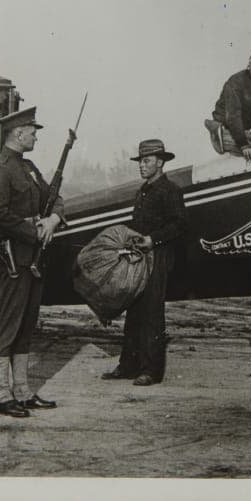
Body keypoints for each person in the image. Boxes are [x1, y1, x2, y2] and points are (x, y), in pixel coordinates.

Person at [0, 107, 65, 418]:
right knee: (8, 324)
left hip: (34, 256)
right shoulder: (1, 170)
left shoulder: (27, 167)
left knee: (27, 324)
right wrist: (34, 230)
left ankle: (22, 391)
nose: (35, 136)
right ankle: (2, 395)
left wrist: (54, 219)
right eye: (32, 131)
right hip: (15, 257)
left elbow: (53, 196)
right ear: (18, 133)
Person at [102, 139, 187, 386]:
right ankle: (128, 366)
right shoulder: (144, 190)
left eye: (147, 161)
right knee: (135, 311)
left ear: (160, 162)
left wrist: (153, 240)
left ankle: (151, 370)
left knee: (151, 313)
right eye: (140, 161)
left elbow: (180, 224)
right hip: (139, 256)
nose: (142, 166)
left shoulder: (170, 190)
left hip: (158, 257)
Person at [205, 48, 251, 161]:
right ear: (248, 65)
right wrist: (243, 145)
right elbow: (233, 116)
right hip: (223, 131)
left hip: (242, 131)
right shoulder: (236, 81)